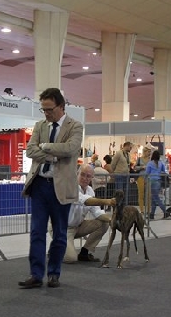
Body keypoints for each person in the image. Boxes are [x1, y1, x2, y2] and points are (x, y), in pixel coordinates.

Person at [19, 87, 82, 289]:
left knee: (59, 233)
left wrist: (45, 146)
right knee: (36, 232)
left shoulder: (75, 126)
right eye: (43, 110)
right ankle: (36, 274)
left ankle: (54, 273)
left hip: (61, 188)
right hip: (39, 185)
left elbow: (70, 149)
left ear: (61, 106)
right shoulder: (40, 126)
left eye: (50, 109)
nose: (46, 113)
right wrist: (53, 156)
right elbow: (30, 150)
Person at [64, 164, 115, 263]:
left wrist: (113, 220)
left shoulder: (90, 191)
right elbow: (85, 201)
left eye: (88, 176)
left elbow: (97, 212)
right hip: (62, 229)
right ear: (77, 174)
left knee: (104, 223)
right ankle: (56, 248)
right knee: (71, 259)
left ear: (92, 178)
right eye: (82, 174)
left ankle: (84, 252)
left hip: (78, 226)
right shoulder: (71, 187)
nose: (85, 178)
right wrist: (108, 201)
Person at [145, 150, 168, 219]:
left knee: (156, 198)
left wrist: (145, 181)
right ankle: (152, 214)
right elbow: (164, 171)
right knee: (154, 198)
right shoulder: (161, 163)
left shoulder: (150, 163)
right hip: (159, 182)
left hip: (152, 182)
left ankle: (166, 212)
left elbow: (147, 173)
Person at [133, 145, 153, 215]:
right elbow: (135, 167)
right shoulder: (139, 159)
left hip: (149, 178)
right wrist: (142, 167)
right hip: (140, 177)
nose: (149, 153)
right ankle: (142, 210)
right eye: (148, 151)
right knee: (141, 194)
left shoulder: (151, 160)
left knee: (148, 195)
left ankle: (148, 210)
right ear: (145, 152)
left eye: (150, 152)